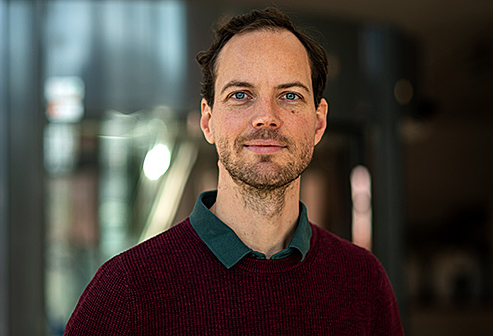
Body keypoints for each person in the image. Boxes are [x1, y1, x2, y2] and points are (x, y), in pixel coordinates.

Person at [65, 7, 404, 335]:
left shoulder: (363, 281)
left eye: (289, 95)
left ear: (319, 122)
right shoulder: (127, 291)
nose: (266, 117)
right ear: (208, 121)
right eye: (241, 95)